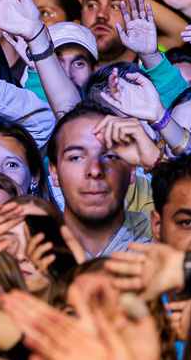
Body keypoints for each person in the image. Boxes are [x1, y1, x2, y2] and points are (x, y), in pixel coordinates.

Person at [46, 100, 151, 258]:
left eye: (110, 156)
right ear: (54, 173)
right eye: (76, 158)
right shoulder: (31, 251)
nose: (95, 170)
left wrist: (154, 159)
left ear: (132, 170)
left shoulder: (163, 239)